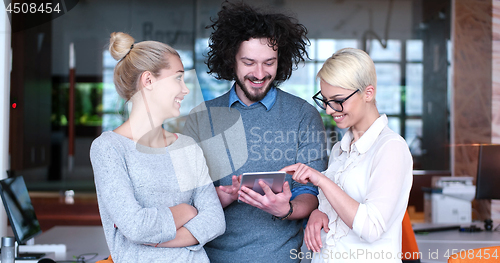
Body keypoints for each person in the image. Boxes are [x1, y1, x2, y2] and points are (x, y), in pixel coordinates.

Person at [183, 2, 327, 262]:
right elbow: (182, 199)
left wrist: (286, 209)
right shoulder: (201, 118)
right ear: (231, 60)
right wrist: (214, 200)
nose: (260, 74)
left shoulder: (304, 115)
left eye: (269, 63)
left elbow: (312, 193)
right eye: (249, 62)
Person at [90, 32, 225, 263]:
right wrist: (186, 210)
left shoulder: (187, 147)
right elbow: (136, 226)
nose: (185, 89)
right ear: (149, 81)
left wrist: (158, 239)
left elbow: (214, 221)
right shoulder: (108, 148)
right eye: (178, 78)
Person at [281, 48, 413, 263]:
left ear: (368, 93)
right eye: (324, 100)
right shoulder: (340, 149)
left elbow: (371, 228)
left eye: (338, 100)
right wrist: (318, 213)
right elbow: (333, 208)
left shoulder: (391, 148)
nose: (330, 110)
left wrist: (321, 180)